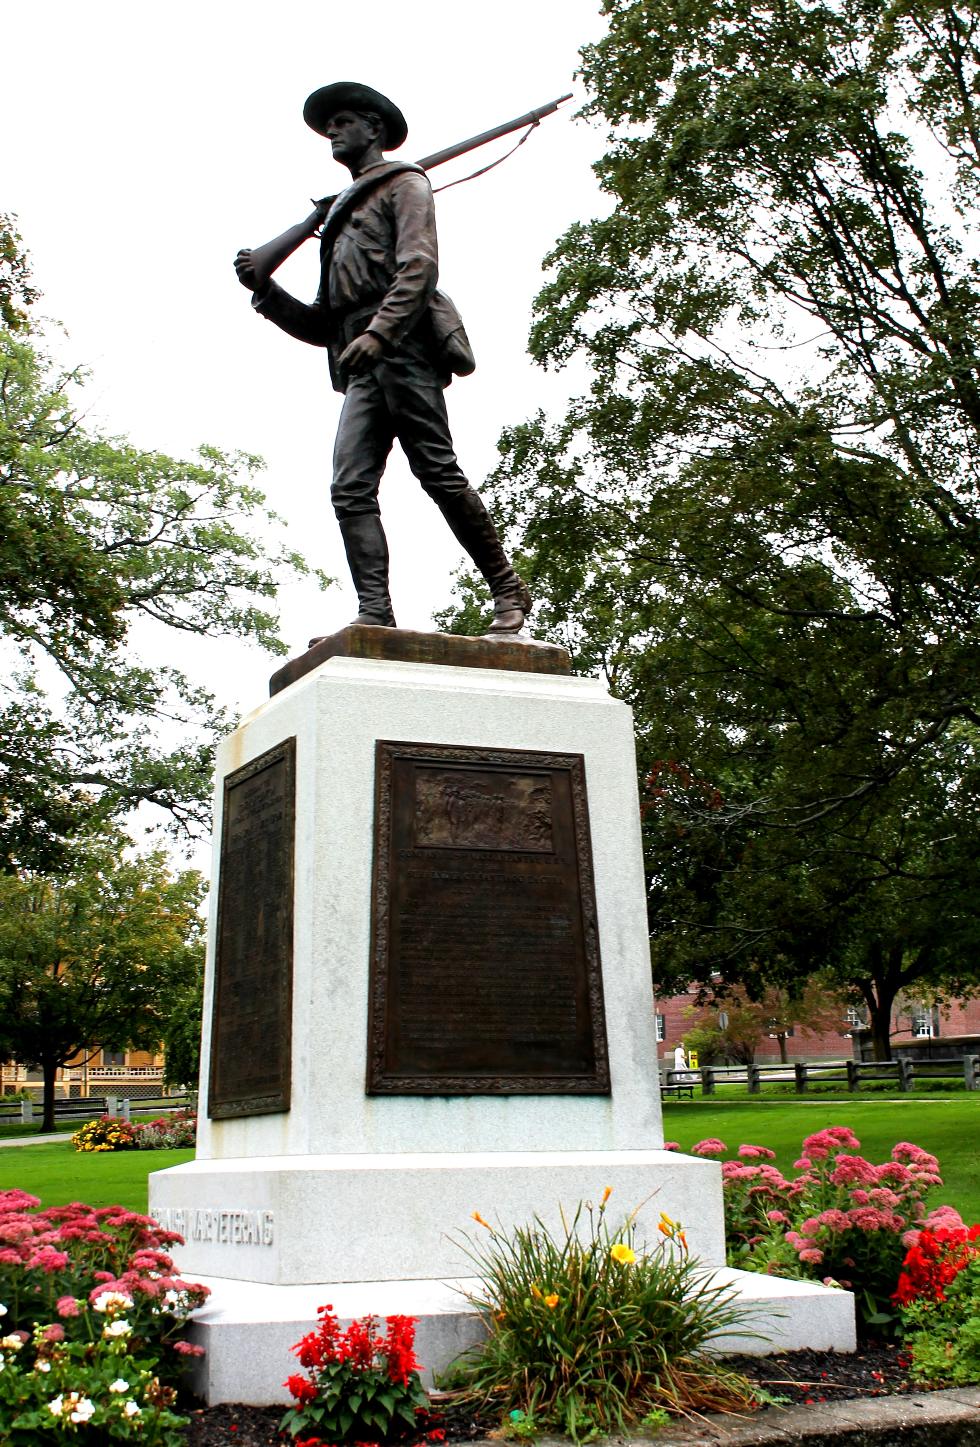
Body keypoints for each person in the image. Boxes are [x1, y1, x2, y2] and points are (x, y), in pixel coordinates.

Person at [234, 81, 531, 634]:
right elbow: (325, 322)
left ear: (374, 129)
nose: (332, 132)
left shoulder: (405, 184)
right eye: (330, 125)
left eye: (344, 121)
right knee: (349, 488)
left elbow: (418, 268)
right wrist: (268, 294)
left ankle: (507, 588)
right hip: (361, 360)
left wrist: (382, 333)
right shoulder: (338, 219)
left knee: (437, 473)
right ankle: (375, 611)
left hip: (402, 347)